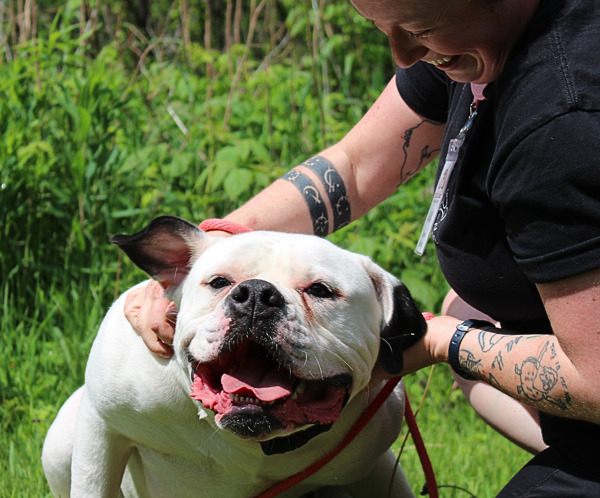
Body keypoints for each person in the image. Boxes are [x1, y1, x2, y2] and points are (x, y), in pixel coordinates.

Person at [125, 0, 600, 494]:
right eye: (381, 28)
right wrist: (219, 245)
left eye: (419, 27)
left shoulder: (563, 120)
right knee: (465, 302)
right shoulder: (476, 43)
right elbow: (354, 167)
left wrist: (444, 341)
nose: (401, 53)